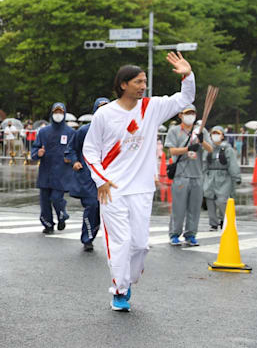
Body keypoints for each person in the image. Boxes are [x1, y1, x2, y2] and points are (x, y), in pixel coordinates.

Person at [82, 52, 195, 312]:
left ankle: (127, 280)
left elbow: (184, 99)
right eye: (138, 82)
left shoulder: (151, 108)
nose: (143, 86)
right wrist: (101, 180)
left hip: (142, 188)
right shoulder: (105, 114)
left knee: (140, 244)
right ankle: (119, 290)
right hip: (112, 189)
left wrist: (187, 76)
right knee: (120, 242)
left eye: (144, 82)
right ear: (124, 84)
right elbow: (90, 150)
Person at [165, 104, 212, 246]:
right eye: (187, 113)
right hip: (181, 175)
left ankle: (191, 234)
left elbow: (210, 149)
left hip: (197, 175)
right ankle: (174, 234)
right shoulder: (174, 131)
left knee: (194, 208)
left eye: (192, 113)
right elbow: (172, 151)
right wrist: (188, 149)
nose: (190, 116)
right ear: (180, 115)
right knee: (178, 207)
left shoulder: (200, 130)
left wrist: (202, 140)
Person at [67, 97, 110, 251]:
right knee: (92, 205)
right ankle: (87, 239)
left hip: (108, 176)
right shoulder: (85, 131)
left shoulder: (115, 130)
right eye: (100, 107)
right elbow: (71, 149)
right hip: (88, 176)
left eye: (106, 107)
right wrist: (75, 161)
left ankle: (113, 240)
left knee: (105, 208)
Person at [31, 102, 75, 234]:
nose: (58, 115)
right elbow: (35, 148)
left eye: (60, 112)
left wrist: (71, 159)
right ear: (51, 113)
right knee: (44, 201)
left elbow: (75, 150)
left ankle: (62, 216)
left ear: (64, 113)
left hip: (62, 172)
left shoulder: (71, 132)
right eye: (56, 112)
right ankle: (48, 224)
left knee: (56, 198)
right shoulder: (43, 132)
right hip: (46, 171)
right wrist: (37, 153)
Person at [203, 126, 241, 231]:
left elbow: (232, 164)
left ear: (223, 135)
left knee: (222, 200)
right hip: (210, 176)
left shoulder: (228, 149)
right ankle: (213, 223)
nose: (215, 136)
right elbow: (204, 164)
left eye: (218, 133)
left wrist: (236, 177)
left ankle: (224, 220)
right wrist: (201, 177)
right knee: (209, 199)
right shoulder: (208, 149)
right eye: (213, 133)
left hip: (224, 177)